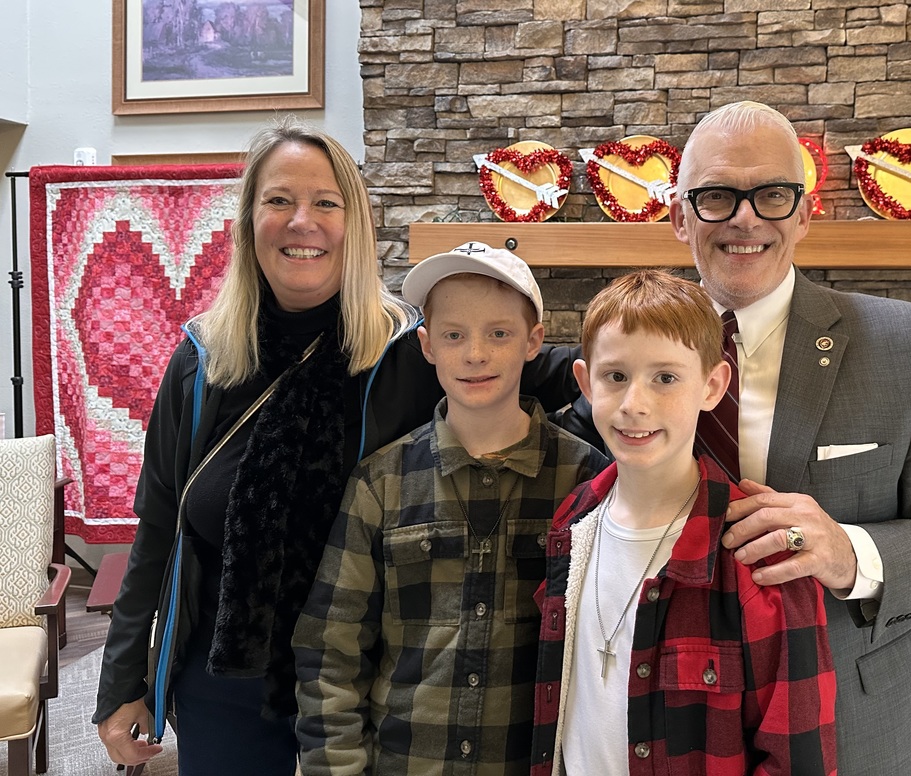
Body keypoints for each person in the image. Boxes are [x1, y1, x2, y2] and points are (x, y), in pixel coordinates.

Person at [92, 120, 584, 775]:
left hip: (371, 679)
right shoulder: (201, 362)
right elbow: (157, 530)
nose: (304, 221)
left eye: (326, 202)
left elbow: (569, 370)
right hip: (225, 678)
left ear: (355, 224)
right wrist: (122, 681)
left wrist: (656, 375)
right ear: (248, 220)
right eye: (279, 200)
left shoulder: (408, 352)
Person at [662, 101, 911, 775]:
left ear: (804, 211)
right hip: (673, 725)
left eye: (771, 195)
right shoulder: (625, 352)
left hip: (855, 730)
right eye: (715, 196)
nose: (745, 218)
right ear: (680, 216)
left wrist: (849, 551)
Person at [292, 242, 608, 775]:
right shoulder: (380, 484)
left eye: (499, 334)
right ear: (427, 345)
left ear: (534, 341)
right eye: (454, 335)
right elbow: (331, 651)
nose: (475, 354)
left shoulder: (586, 480)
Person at [531, 269, 837, 775]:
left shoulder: (759, 557)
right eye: (616, 377)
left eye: (666, 378)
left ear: (713, 385)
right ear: (586, 383)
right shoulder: (572, 522)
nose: (635, 405)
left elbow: (798, 758)